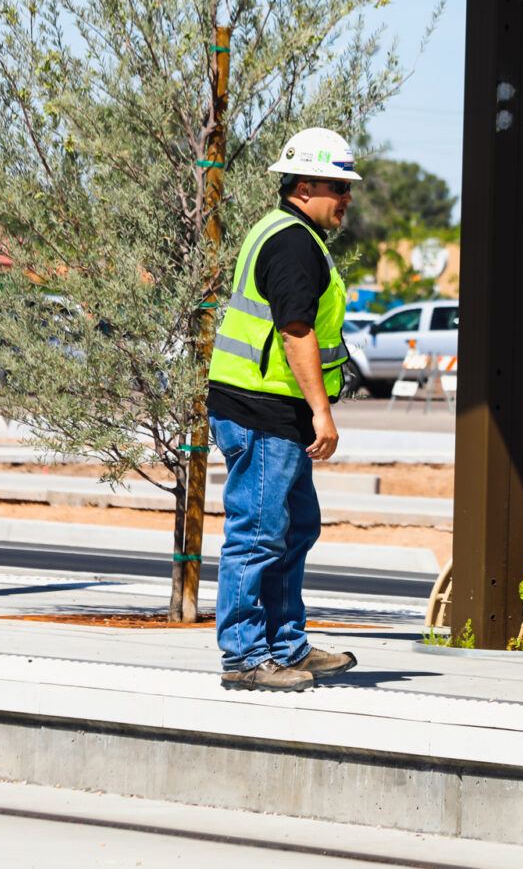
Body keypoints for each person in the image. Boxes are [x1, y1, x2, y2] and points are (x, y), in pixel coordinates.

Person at [207, 127, 361, 692]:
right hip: (262, 410)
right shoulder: (293, 242)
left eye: (348, 187)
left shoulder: (292, 233)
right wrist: (323, 413)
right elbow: (295, 332)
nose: (346, 197)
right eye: (337, 186)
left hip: (273, 410)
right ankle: (246, 657)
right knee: (259, 533)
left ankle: (285, 645)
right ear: (302, 185)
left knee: (294, 527)